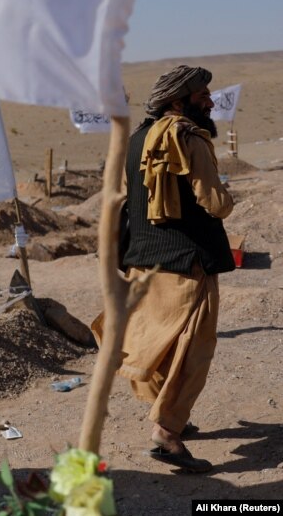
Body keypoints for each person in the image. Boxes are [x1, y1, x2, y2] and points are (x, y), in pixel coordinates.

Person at [94, 65, 234, 473]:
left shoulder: (138, 139)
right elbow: (214, 201)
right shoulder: (187, 136)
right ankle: (167, 433)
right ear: (178, 101)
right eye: (201, 94)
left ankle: (172, 415)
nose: (209, 101)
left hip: (144, 260)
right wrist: (229, 199)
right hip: (189, 263)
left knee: (155, 344)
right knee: (193, 350)